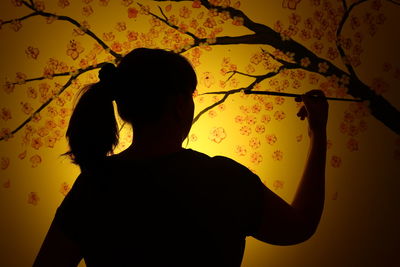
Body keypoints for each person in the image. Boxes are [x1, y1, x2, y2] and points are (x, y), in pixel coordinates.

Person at [33, 48, 328, 267]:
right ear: (177, 105)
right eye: (190, 95)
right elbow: (299, 225)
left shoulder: (94, 185)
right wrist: (317, 133)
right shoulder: (222, 180)